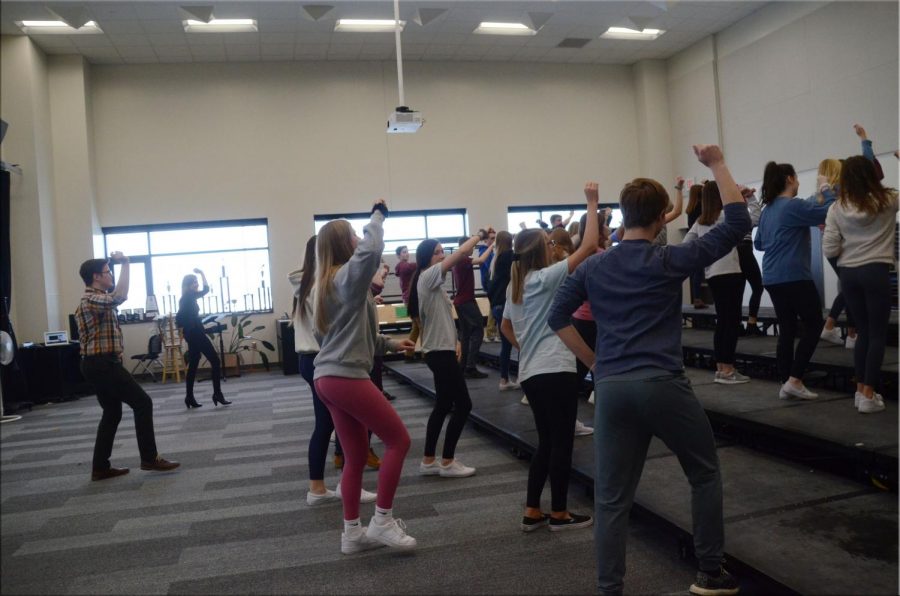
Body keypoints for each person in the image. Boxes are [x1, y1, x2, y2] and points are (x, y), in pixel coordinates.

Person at [548, 145, 747, 596]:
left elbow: (557, 317)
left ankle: (610, 588)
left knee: (612, 498)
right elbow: (737, 223)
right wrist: (716, 164)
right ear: (661, 218)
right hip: (662, 385)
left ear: (624, 214)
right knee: (704, 473)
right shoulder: (668, 259)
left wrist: (596, 364)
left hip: (613, 389)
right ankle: (709, 572)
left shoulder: (594, 266)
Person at [313, 200, 417, 554]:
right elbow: (372, 249)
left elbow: (344, 337)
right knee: (398, 441)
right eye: (354, 235)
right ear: (345, 245)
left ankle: (351, 534)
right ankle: (382, 521)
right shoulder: (345, 279)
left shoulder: (326, 285)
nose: (361, 238)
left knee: (356, 454)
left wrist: (390, 344)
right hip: (345, 377)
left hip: (327, 378)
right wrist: (379, 214)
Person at [502, 182, 600, 533]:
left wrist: (526, 347)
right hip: (555, 369)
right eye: (548, 244)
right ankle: (558, 513)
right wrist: (591, 203)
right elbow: (588, 245)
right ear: (539, 253)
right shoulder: (543, 278)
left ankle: (533, 510)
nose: (552, 245)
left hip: (531, 371)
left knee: (546, 442)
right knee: (561, 443)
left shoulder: (516, 284)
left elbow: (504, 326)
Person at [76, 252, 180, 481]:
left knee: (112, 412)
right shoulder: (92, 299)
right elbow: (120, 295)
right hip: (101, 365)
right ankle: (149, 458)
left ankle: (100, 468)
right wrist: (126, 264)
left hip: (98, 363)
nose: (110, 275)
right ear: (96, 277)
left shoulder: (97, 298)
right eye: (107, 271)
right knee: (143, 402)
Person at [290, 236, 378, 507]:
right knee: (345, 422)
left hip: (312, 359)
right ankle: (341, 483)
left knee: (330, 423)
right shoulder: (319, 286)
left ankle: (324, 486)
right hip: (324, 359)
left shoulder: (306, 284)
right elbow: (332, 326)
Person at [755, 161, 836, 400]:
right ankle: (795, 379)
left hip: (771, 277)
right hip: (793, 275)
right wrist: (826, 189)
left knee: (787, 329)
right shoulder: (791, 206)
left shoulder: (768, 210)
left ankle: (786, 381)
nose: (799, 182)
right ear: (789, 179)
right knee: (814, 324)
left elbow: (759, 243)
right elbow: (828, 211)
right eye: (797, 178)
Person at [823, 156, 898, 414]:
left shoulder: (837, 207)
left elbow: (829, 247)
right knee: (877, 333)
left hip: (849, 274)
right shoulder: (887, 199)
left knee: (863, 332)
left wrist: (846, 261)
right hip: (875, 270)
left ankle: (859, 392)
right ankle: (868, 394)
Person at [409, 233, 483, 478]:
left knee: (443, 405)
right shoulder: (429, 276)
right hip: (439, 353)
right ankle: (448, 461)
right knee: (464, 404)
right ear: (427, 258)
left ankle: (429, 460)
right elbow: (461, 253)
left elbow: (442, 319)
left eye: (443, 251)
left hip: (442, 350)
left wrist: (457, 341)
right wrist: (481, 236)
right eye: (438, 252)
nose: (442, 256)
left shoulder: (432, 283)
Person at [684, 181, 753, 384]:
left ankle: (721, 367)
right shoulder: (725, 217)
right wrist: (747, 199)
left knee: (722, 322)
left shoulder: (700, 222)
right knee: (731, 322)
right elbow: (751, 219)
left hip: (713, 274)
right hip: (731, 272)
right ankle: (727, 369)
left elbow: (686, 245)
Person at [177, 268, 230, 408]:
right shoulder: (188, 296)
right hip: (196, 334)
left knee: (194, 364)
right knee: (215, 360)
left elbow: (181, 318)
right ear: (188, 285)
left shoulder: (186, 297)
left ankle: (189, 397)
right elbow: (179, 317)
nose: (196, 284)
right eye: (194, 282)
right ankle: (217, 394)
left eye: (196, 282)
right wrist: (201, 273)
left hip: (193, 333)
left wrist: (186, 331)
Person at [453, 234, 492, 378]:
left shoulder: (461, 259)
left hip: (462, 301)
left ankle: (463, 366)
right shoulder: (463, 259)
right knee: (478, 332)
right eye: (472, 246)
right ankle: (469, 366)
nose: (473, 249)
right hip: (466, 301)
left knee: (466, 334)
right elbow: (481, 260)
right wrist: (491, 245)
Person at [487, 231, 517, 391]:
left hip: (497, 305)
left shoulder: (496, 258)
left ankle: (504, 379)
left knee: (506, 345)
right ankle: (522, 377)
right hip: (506, 304)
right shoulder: (509, 256)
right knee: (519, 340)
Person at [734, 186, 764, 334]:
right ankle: (752, 322)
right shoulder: (743, 218)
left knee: (738, 291)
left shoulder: (727, 216)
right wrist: (751, 198)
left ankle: (737, 324)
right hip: (745, 251)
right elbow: (758, 217)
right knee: (758, 287)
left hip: (733, 255)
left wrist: (749, 197)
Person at [685, 183, 708, 309]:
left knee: (696, 272)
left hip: (693, 241)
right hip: (701, 239)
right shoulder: (701, 206)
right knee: (702, 271)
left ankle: (697, 298)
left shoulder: (690, 208)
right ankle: (699, 299)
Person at [394, 245, 419, 359]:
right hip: (411, 300)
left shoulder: (402, 266)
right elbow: (413, 266)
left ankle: (409, 354)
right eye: (404, 252)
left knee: (416, 327)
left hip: (409, 299)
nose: (407, 254)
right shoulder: (404, 266)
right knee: (422, 326)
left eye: (407, 252)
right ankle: (427, 354)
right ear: (399, 255)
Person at [476, 228, 500, 343]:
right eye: (492, 238)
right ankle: (490, 333)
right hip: (490, 283)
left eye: (495, 238)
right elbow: (490, 269)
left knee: (493, 306)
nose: (494, 240)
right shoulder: (484, 252)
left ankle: (491, 332)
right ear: (486, 240)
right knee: (493, 306)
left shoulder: (490, 252)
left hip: (492, 282)